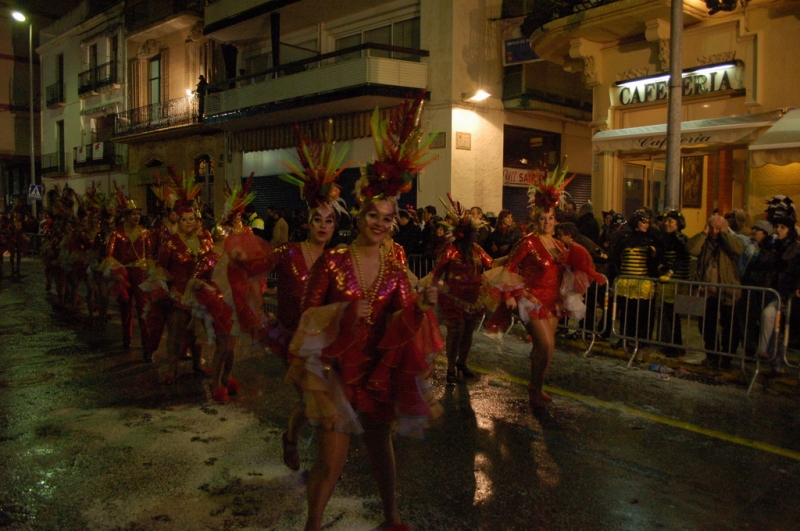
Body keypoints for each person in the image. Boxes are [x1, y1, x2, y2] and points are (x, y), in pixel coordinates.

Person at [287, 93, 441, 531]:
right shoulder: (332, 261)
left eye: (387, 218)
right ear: (359, 215)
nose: (379, 223)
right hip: (337, 369)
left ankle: (391, 515)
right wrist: (341, 317)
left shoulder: (396, 268)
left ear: (394, 223)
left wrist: (422, 308)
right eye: (373, 214)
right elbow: (306, 313)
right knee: (332, 459)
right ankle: (313, 524)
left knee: (381, 449)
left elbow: (402, 325)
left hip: (376, 372)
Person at [260, 131, 349, 470]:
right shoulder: (287, 252)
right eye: (317, 219)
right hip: (291, 341)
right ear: (307, 220)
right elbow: (256, 267)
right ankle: (297, 444)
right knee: (313, 401)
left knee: (325, 404)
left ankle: (319, 459)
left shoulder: (340, 259)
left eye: (330, 220)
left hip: (328, 345)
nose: (323, 225)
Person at [485, 167, 572, 413]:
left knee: (547, 347)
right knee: (544, 345)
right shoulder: (528, 241)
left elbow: (566, 271)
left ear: (556, 220)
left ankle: (537, 385)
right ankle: (533, 387)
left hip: (552, 301)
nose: (547, 222)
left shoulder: (557, 244)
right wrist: (512, 295)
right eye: (542, 218)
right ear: (536, 219)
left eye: (551, 218)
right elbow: (510, 267)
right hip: (529, 299)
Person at [430, 195, 493, 384]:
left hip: (473, 298)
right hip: (453, 298)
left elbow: (491, 264)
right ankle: (450, 368)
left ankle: (462, 364)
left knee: (468, 332)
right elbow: (435, 273)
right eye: (472, 232)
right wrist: (438, 291)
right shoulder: (450, 251)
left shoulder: (477, 250)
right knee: (456, 332)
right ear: (461, 233)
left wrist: (511, 259)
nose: (475, 235)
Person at [100, 184, 157, 359]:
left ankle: (147, 347)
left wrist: (150, 273)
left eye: (138, 214)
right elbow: (109, 255)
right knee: (125, 309)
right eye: (133, 214)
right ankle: (127, 338)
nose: (137, 217)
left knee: (143, 310)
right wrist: (116, 271)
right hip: (123, 274)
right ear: (125, 216)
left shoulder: (145, 233)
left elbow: (149, 255)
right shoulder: (117, 234)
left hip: (140, 273)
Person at [687, 213, 744, 369]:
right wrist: (704, 233)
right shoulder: (704, 241)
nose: (714, 232)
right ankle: (711, 356)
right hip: (707, 292)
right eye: (711, 228)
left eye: (717, 228)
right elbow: (692, 249)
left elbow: (738, 250)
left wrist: (725, 233)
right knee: (707, 326)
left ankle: (727, 358)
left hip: (727, 291)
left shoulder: (731, 240)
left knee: (729, 326)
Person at [757, 196, 800, 373]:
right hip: (770, 290)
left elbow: (791, 267)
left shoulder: (795, 247)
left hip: (785, 295)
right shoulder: (772, 245)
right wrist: (768, 248)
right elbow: (762, 263)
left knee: (772, 319)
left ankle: (764, 350)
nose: (778, 230)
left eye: (782, 228)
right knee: (776, 328)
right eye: (777, 227)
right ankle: (776, 364)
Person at [611, 209, 661, 346]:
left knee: (642, 314)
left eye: (648, 222)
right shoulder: (625, 238)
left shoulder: (651, 239)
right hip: (627, 282)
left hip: (643, 283)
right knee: (627, 313)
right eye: (643, 222)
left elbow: (654, 263)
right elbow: (615, 257)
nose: (646, 225)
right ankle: (625, 338)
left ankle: (641, 341)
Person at [657, 210, 691, 357]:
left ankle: (675, 345)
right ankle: (669, 344)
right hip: (669, 284)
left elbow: (681, 258)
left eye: (671, 221)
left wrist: (670, 272)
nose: (667, 224)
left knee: (673, 316)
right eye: (666, 221)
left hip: (677, 283)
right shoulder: (666, 238)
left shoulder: (680, 239)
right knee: (668, 314)